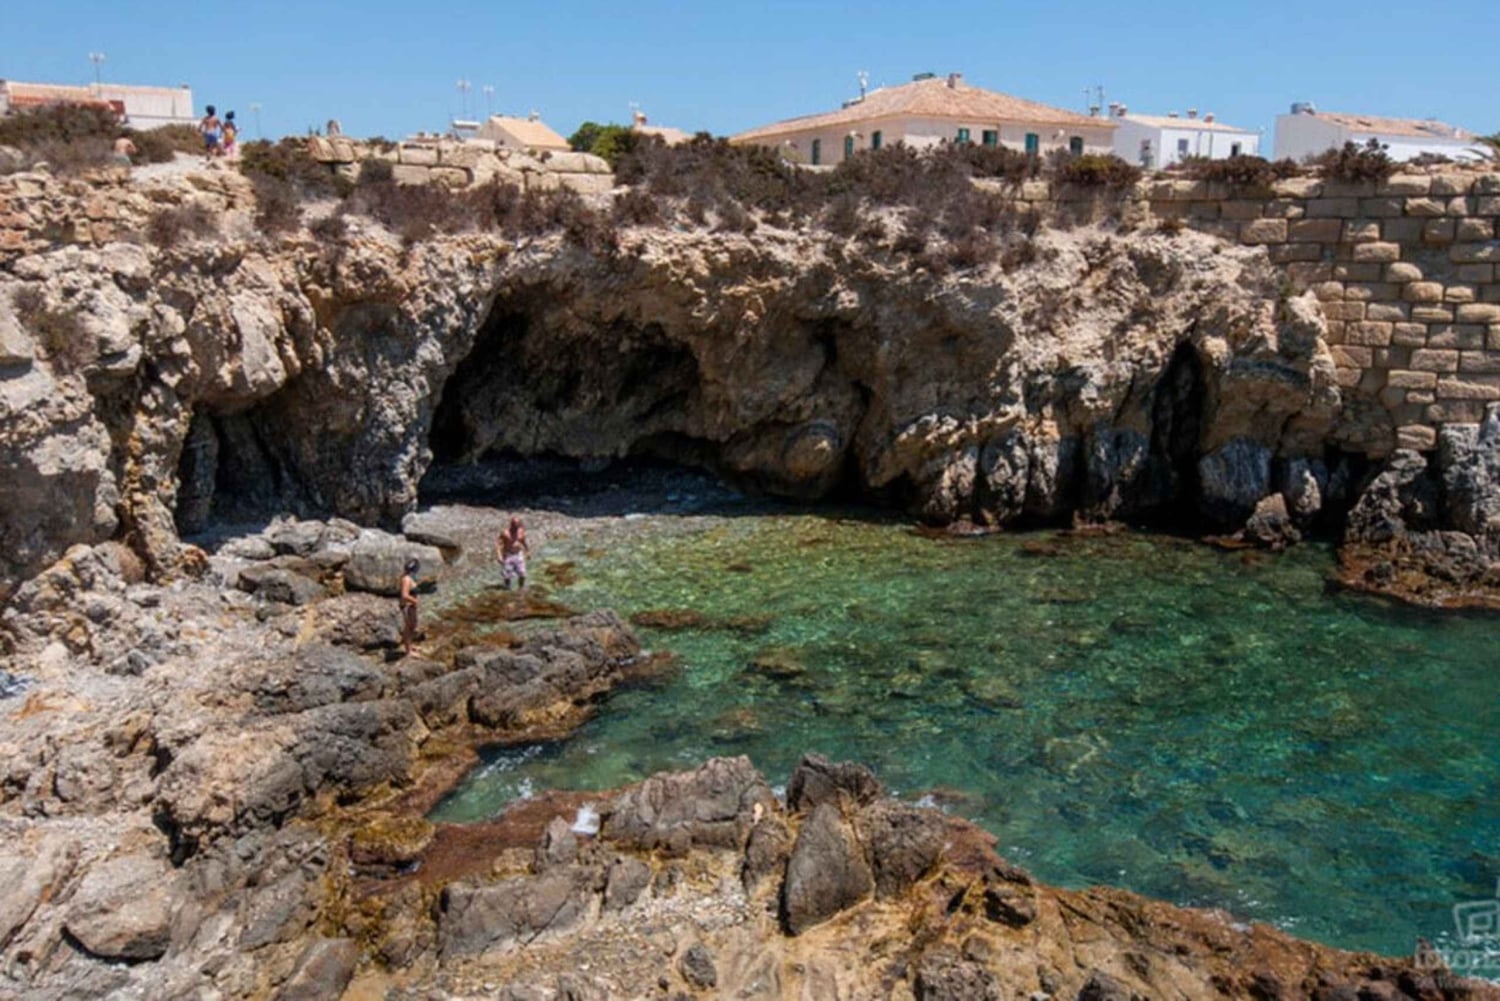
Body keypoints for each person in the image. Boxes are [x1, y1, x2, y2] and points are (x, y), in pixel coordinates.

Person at [495, 516, 530, 590]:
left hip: (518, 554)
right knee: (507, 575)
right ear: (511, 524)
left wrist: (528, 551)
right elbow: (498, 544)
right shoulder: (505, 533)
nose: (515, 526)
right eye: (514, 524)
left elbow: (523, 541)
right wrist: (499, 555)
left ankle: (521, 587)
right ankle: (507, 587)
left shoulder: (521, 531)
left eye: (517, 524)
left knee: (522, 574)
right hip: (508, 555)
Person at [399, 559, 420, 656]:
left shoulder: (410, 578)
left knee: (413, 626)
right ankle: (408, 651)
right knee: (408, 628)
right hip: (407, 607)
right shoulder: (407, 579)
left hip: (411, 606)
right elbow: (404, 595)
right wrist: (415, 601)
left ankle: (410, 645)